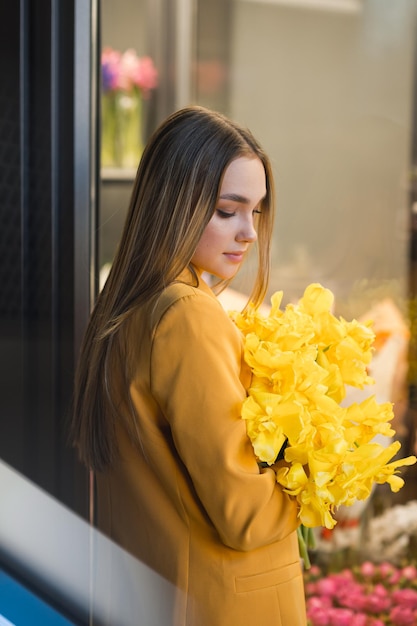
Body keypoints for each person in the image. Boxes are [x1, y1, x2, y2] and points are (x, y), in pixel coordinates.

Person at [72, 106, 307, 626]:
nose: (248, 232)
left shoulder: (125, 308)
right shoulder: (187, 316)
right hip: (221, 605)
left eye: (257, 212)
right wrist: (316, 466)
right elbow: (243, 516)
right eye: (228, 210)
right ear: (173, 204)